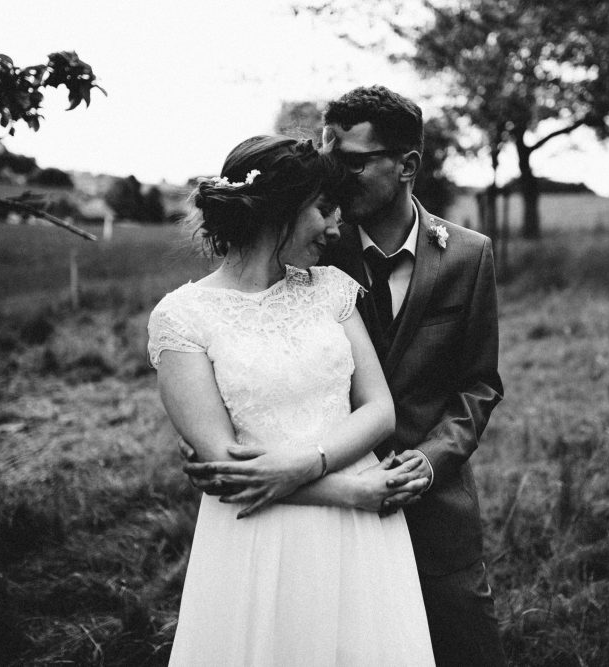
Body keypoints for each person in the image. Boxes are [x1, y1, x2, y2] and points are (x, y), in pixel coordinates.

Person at [185, 86, 507, 666]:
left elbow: (479, 382)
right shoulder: (311, 258)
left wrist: (432, 459)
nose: (337, 178)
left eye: (353, 163)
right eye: (331, 161)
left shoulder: (468, 254)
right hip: (320, 518)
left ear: (407, 165)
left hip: (436, 509)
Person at [148, 135, 435, 666]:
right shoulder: (181, 318)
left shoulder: (330, 289)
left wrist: (310, 462)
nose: (336, 226)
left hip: (362, 531)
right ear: (278, 207)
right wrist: (348, 491)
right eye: (324, 209)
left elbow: (379, 409)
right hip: (265, 533)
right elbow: (224, 467)